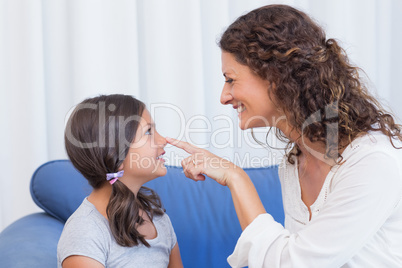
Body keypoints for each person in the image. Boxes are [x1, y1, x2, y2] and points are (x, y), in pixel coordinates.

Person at [167, 4, 402, 267]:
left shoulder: (372, 163)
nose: (224, 96)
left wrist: (236, 177)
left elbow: (293, 263)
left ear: (275, 77)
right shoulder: (294, 162)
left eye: (230, 79)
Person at [58, 94, 183, 268]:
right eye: (148, 131)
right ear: (115, 152)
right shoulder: (85, 231)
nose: (163, 141)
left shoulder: (159, 219)